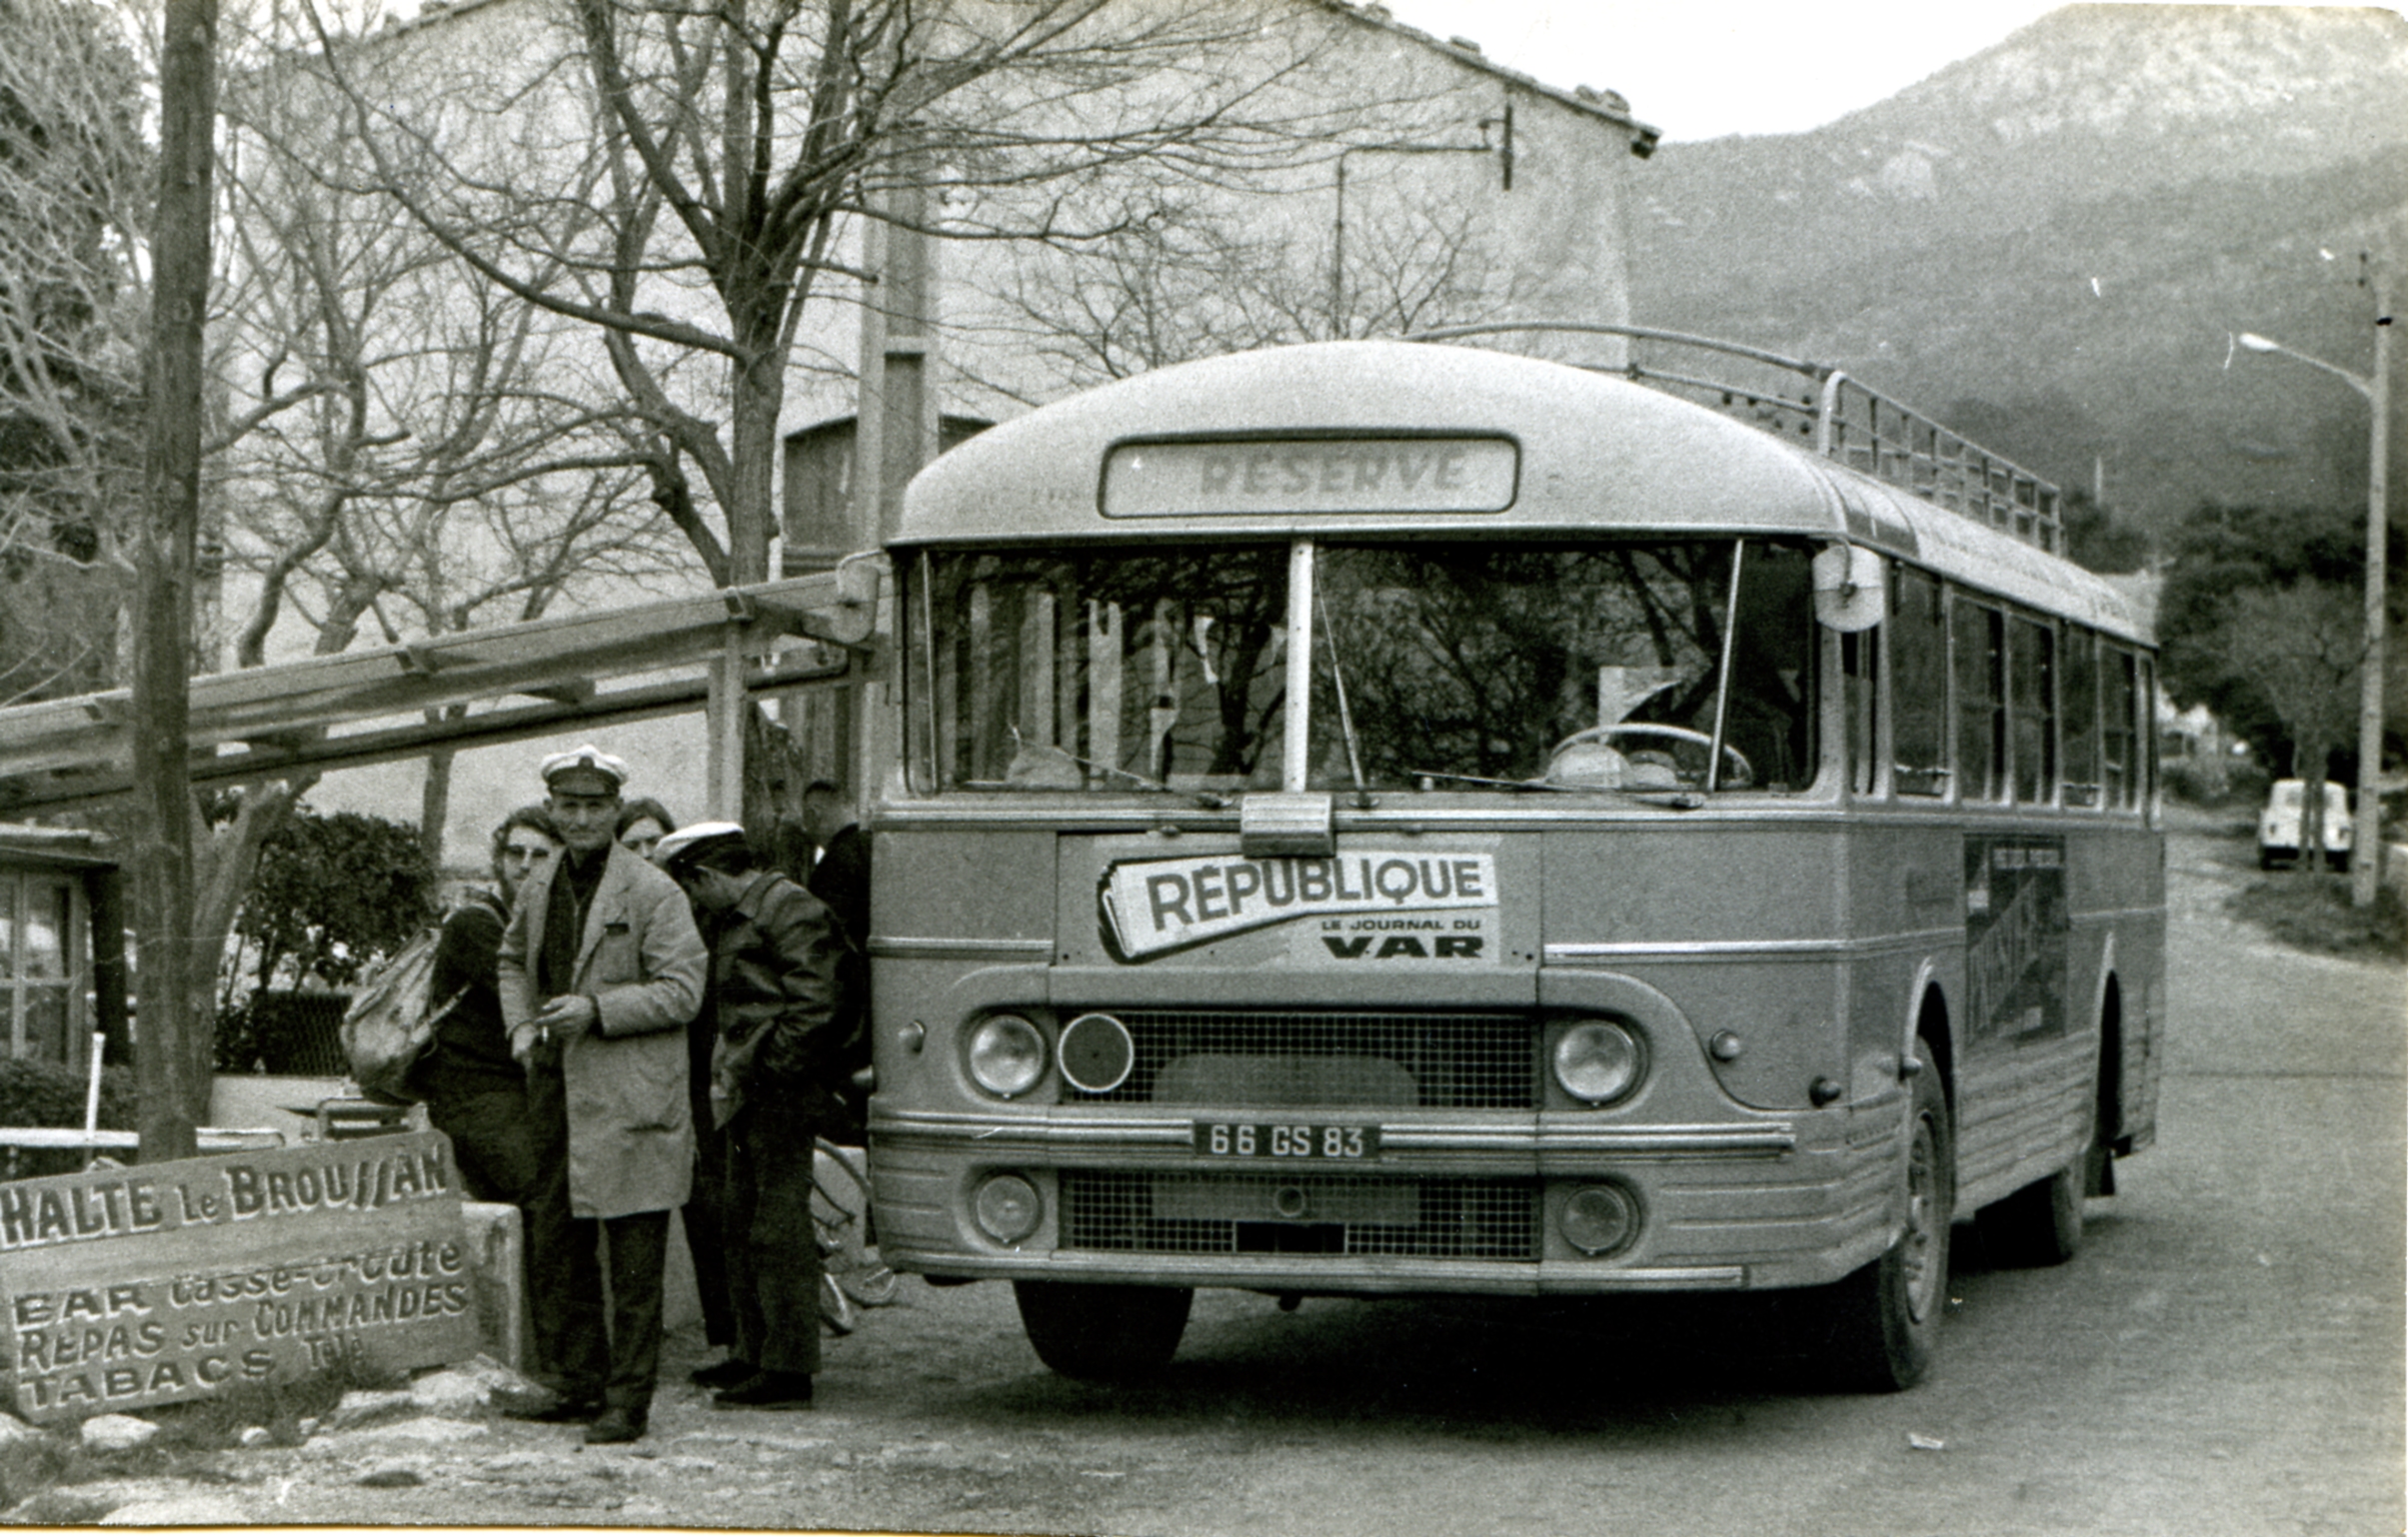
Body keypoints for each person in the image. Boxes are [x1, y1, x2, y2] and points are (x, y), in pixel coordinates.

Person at [497, 745, 707, 1445]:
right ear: (552, 810)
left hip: (629, 1099)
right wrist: (522, 1024)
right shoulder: (542, 881)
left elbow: (684, 991)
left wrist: (598, 1009)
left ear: (616, 811)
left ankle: (627, 1402)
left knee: (634, 1257)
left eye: (594, 806)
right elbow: (509, 960)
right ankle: (576, 1382)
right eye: (569, 806)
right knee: (558, 1242)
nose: (581, 818)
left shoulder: (652, 890)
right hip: (556, 1089)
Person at [653, 819, 853, 1411]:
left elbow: (822, 1005)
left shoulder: (790, 909)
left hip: (778, 1092)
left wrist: (771, 1070)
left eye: (694, 888)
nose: (694, 901)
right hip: (749, 1086)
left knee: (776, 1227)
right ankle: (753, 1351)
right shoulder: (747, 912)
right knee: (740, 1218)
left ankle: (788, 1370)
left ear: (708, 876)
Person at [418, 805, 559, 1206]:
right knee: (544, 1198)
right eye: (516, 853)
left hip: (511, 1097)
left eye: (540, 855)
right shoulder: (474, 925)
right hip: (477, 1097)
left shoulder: (530, 925)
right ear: (499, 860)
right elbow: (530, 998)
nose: (526, 865)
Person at [799, 780, 871, 1142]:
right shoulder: (874, 849)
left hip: (851, 1014)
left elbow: (827, 955)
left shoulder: (832, 868)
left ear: (814, 814)